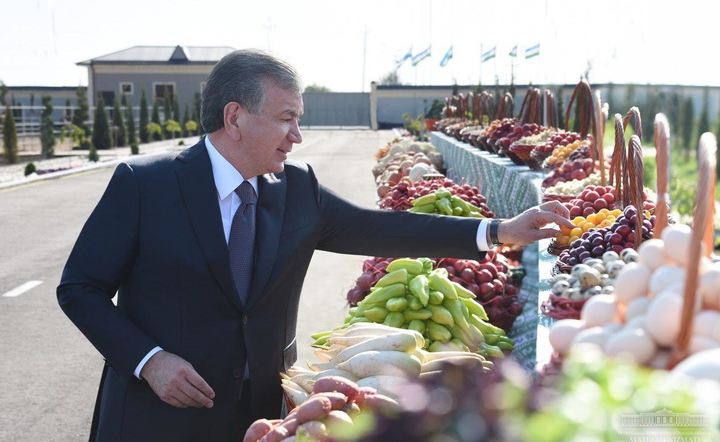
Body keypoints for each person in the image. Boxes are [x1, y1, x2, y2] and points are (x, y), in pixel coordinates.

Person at [57, 49, 573, 442]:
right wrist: (149, 360)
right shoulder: (145, 185)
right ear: (234, 117)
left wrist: (498, 231)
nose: (297, 135)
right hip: (153, 417)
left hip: (256, 416)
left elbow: (382, 229)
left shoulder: (296, 188)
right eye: (286, 118)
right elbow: (80, 288)